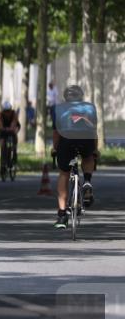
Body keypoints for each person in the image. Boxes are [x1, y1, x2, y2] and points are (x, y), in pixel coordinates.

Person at [51, 84, 99, 229]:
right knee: (88, 157)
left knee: (64, 173)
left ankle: (61, 215)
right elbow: (94, 129)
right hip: (87, 138)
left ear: (66, 97)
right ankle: (87, 181)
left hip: (66, 140)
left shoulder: (58, 109)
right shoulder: (90, 107)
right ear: (81, 96)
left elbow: (56, 132)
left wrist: (55, 148)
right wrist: (95, 149)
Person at [0, 100, 20, 166]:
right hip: (4, 129)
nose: (7, 113)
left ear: (10, 110)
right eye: (5, 111)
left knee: (14, 138)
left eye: (8, 111)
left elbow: (14, 123)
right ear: (3, 111)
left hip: (12, 128)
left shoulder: (14, 114)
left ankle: (14, 153)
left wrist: (11, 129)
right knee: (3, 144)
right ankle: (3, 158)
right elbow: (0, 123)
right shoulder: (0, 114)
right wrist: (2, 129)